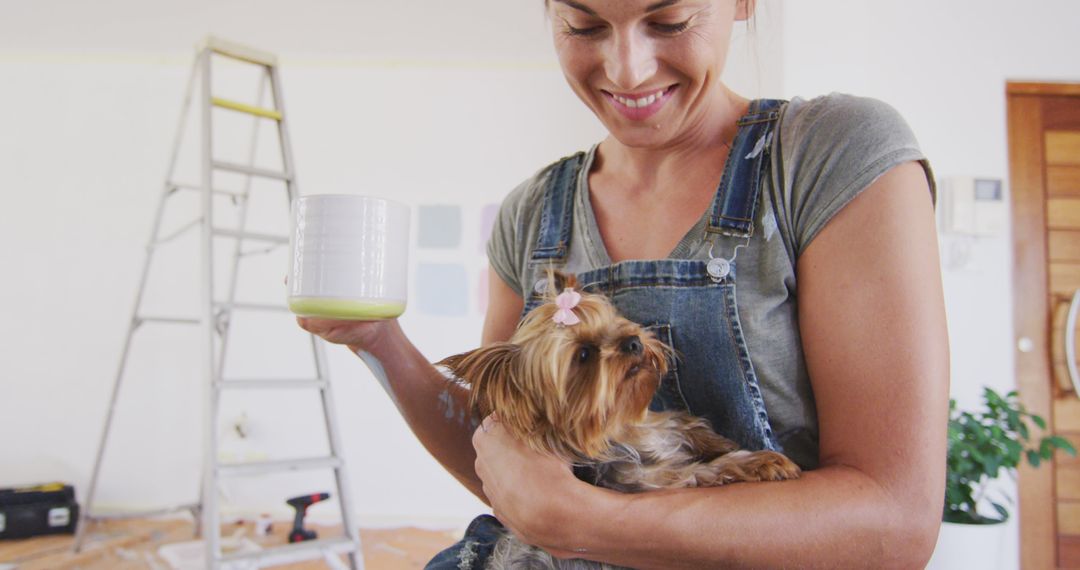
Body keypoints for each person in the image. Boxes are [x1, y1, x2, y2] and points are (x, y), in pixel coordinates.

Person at [298, 0, 949, 567]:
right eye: (584, 25)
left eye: (669, 19)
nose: (628, 70)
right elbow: (505, 465)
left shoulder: (832, 154)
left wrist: (593, 525)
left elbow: (895, 526)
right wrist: (380, 342)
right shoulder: (531, 214)